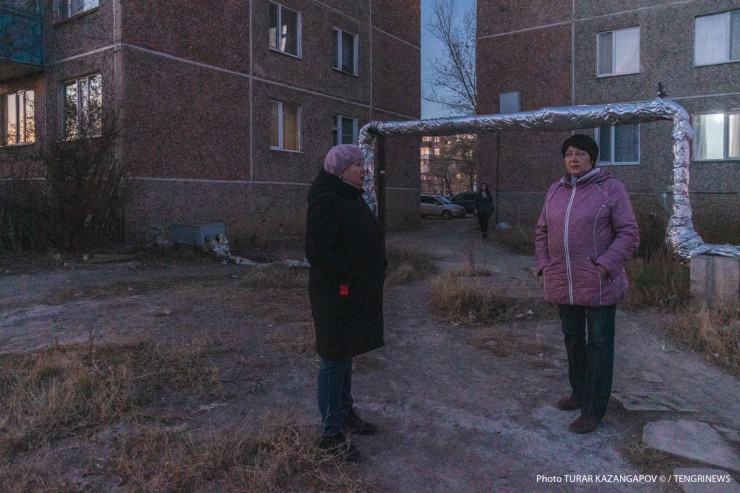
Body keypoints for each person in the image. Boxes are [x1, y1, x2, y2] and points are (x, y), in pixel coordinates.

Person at [535, 134, 639, 434]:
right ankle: (579, 393)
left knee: (599, 345)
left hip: (599, 283)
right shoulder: (555, 190)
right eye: (569, 153)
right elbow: (542, 231)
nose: (573, 158)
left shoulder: (611, 188)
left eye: (580, 153)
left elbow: (629, 233)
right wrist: (544, 264)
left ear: (592, 158)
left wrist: (605, 266)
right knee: (572, 339)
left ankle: (594, 410)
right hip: (564, 281)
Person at [305, 144, 385, 461]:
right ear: (340, 172)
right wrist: (352, 277)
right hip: (334, 295)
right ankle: (330, 435)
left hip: (351, 292)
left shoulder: (351, 197)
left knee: (346, 353)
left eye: (364, 164)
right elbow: (318, 253)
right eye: (357, 165)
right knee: (334, 358)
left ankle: (345, 414)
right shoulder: (327, 201)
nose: (364, 170)